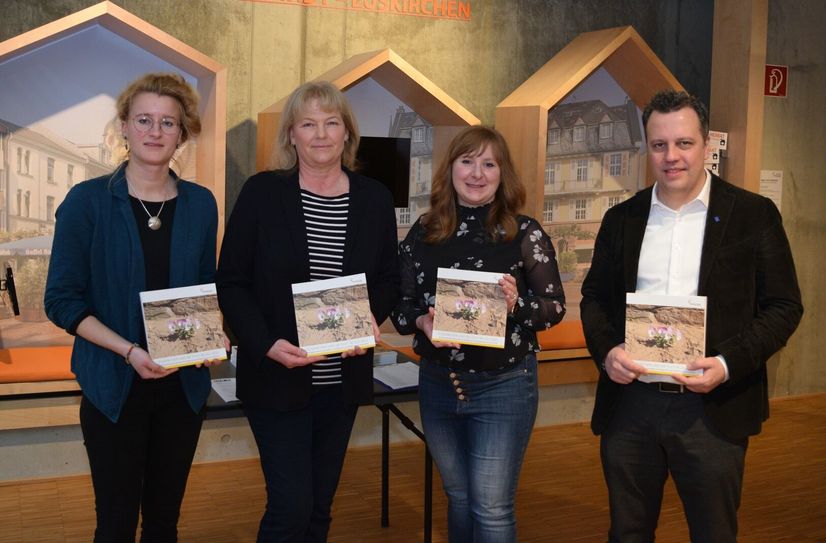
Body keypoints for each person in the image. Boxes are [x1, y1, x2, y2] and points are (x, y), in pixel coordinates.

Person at [580, 89, 803, 542]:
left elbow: (784, 306)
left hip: (713, 409)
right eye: (659, 145)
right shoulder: (622, 218)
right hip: (632, 406)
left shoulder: (753, 215)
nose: (671, 156)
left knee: (714, 533)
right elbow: (593, 300)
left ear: (706, 145)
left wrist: (726, 364)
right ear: (647, 148)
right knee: (628, 532)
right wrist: (607, 352)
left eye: (683, 143)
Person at [215, 80, 399, 542]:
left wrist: (363, 323)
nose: (321, 134)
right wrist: (265, 344)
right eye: (308, 123)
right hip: (276, 376)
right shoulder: (262, 193)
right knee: (290, 509)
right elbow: (232, 282)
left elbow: (389, 280)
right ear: (291, 135)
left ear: (347, 134)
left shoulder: (374, 198)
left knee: (319, 508)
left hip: (342, 382)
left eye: (331, 122)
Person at [44, 72, 222, 542]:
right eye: (144, 119)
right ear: (123, 126)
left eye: (168, 122)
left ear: (182, 133)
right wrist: (128, 351)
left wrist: (215, 329)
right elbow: (61, 301)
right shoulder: (87, 202)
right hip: (113, 386)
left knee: (164, 523)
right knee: (116, 524)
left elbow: (206, 289)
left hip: (182, 390)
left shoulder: (202, 205)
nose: (155, 131)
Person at [391, 125, 566, 542]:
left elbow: (553, 307)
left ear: (503, 173)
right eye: (467, 161)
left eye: (489, 164)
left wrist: (515, 305)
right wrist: (421, 322)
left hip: (504, 386)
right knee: (457, 496)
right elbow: (401, 306)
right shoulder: (425, 231)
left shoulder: (525, 233)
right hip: (438, 384)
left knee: (491, 507)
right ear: (450, 168)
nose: (477, 173)